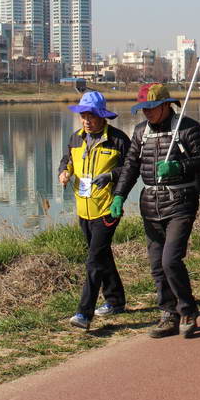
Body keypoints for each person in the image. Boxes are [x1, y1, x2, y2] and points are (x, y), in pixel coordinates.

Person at [113, 83, 200, 339]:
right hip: (150, 204)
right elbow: (130, 168)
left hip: (181, 201)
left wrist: (178, 167)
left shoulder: (187, 127)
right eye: (143, 108)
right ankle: (168, 312)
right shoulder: (139, 133)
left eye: (151, 107)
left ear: (166, 105)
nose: (147, 113)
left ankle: (188, 309)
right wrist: (119, 196)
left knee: (171, 260)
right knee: (157, 264)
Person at [58, 91, 132, 331]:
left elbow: (132, 170)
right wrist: (64, 172)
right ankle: (116, 300)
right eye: (83, 116)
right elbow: (66, 160)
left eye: (91, 116)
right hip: (84, 208)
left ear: (102, 116)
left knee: (93, 260)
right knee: (101, 255)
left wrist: (110, 176)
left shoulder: (118, 140)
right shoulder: (76, 138)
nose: (87, 121)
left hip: (108, 208)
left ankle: (84, 313)